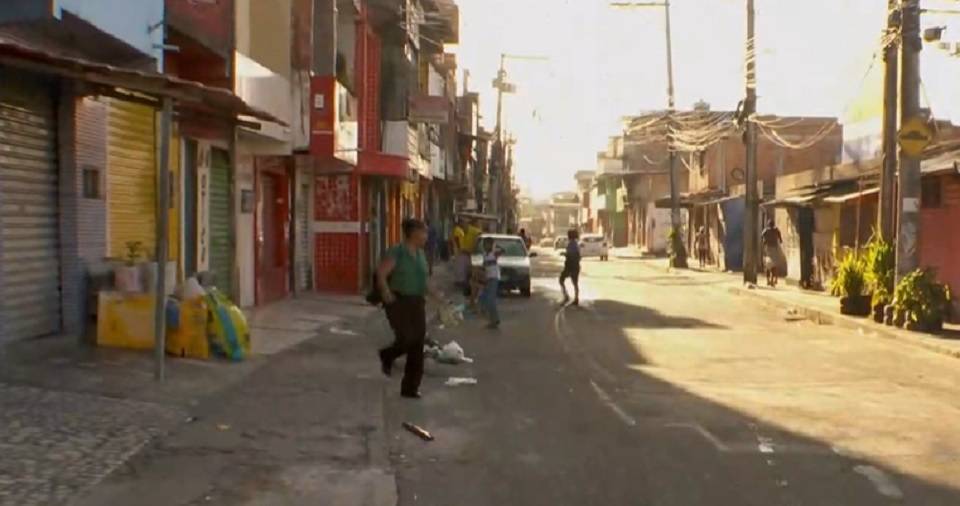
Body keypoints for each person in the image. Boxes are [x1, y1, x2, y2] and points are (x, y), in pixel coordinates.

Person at [377, 219, 434, 399]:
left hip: (417, 301)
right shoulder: (398, 252)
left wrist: (439, 298)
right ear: (413, 233)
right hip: (398, 300)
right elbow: (381, 273)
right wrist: (385, 291)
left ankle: (410, 388)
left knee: (418, 344)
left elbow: (425, 281)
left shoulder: (421, 254)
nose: (426, 236)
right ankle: (387, 355)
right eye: (423, 232)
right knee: (407, 338)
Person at [479, 237, 503, 329]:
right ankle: (491, 319)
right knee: (484, 298)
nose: (485, 246)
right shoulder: (485, 254)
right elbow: (484, 266)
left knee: (490, 300)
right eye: (484, 244)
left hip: (494, 278)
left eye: (487, 244)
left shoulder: (494, 253)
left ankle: (495, 320)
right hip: (487, 278)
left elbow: (503, 250)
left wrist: (496, 245)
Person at [559, 228, 581, 305]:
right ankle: (576, 298)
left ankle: (566, 296)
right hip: (575, 266)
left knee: (561, 280)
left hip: (570, 266)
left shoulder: (572, 244)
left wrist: (564, 254)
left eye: (568, 235)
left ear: (570, 236)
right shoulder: (575, 243)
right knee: (575, 282)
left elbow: (571, 254)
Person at [761, 219, 784, 287]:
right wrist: (779, 240)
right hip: (774, 249)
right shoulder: (776, 230)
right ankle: (772, 280)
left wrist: (764, 241)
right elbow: (780, 239)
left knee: (768, 266)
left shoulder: (766, 230)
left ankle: (769, 280)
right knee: (774, 266)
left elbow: (762, 237)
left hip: (768, 249)